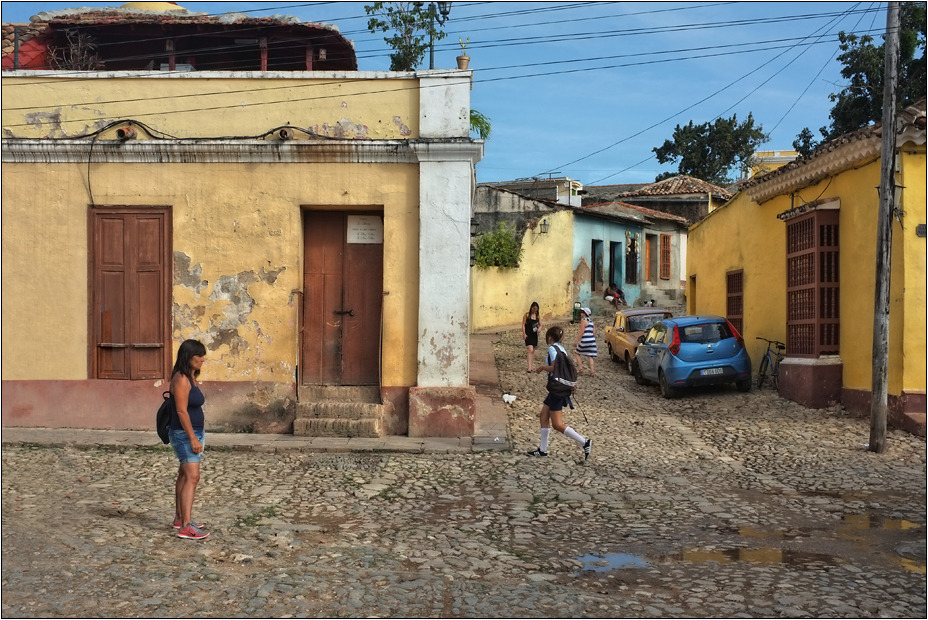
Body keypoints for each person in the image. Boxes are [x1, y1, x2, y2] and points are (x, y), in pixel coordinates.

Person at [527, 326, 592, 460]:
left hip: (557, 390)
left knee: (557, 424)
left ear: (550, 337)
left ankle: (584, 442)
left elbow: (555, 367)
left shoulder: (552, 349)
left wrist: (542, 368)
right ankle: (543, 450)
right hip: (556, 389)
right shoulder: (562, 349)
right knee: (543, 416)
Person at [170, 339, 210, 540]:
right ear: (188, 357)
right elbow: (181, 411)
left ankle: (180, 518)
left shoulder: (190, 377)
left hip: (193, 432)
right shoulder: (181, 379)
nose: (203, 360)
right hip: (185, 434)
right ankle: (186, 526)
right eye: (199, 356)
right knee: (193, 477)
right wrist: (193, 438)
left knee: (185, 475)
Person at [574, 307, 597, 377]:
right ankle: (592, 372)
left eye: (581, 312)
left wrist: (576, 341)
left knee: (576, 353)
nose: (580, 313)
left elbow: (581, 332)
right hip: (592, 340)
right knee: (590, 356)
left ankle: (580, 368)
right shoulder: (591, 322)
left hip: (585, 340)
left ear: (584, 313)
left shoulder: (583, 321)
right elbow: (594, 332)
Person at [522, 301, 542, 373]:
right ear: (531, 308)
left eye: (536, 309)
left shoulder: (538, 316)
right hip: (528, 334)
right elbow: (523, 325)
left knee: (532, 351)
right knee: (530, 350)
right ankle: (529, 368)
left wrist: (539, 328)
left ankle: (530, 367)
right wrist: (524, 334)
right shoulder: (527, 315)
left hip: (534, 335)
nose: (535, 310)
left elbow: (540, 324)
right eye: (534, 308)